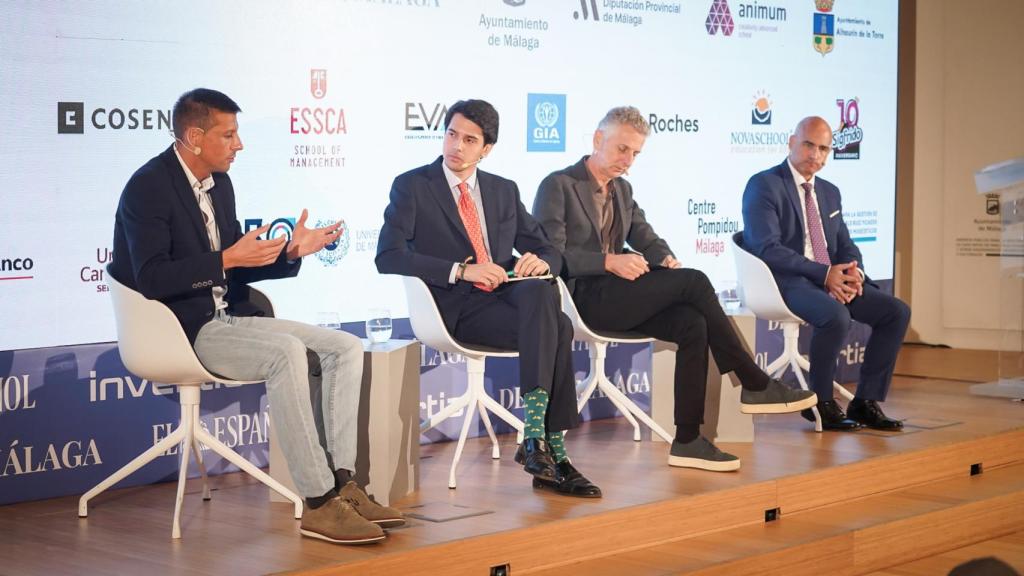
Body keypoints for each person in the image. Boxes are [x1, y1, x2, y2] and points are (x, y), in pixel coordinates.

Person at [110, 88, 403, 545]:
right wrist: (225, 260)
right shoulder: (147, 188)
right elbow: (151, 278)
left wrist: (289, 253)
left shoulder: (219, 184)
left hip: (226, 317)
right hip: (181, 330)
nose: (239, 144)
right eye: (228, 135)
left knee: (344, 346)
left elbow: (236, 262)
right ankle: (319, 502)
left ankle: (346, 484)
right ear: (194, 136)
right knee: (286, 351)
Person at [533, 106, 816, 472]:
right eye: (622, 150)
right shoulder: (558, 185)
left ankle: (687, 440)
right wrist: (608, 261)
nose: (628, 161)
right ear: (598, 139)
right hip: (581, 298)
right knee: (696, 282)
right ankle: (753, 380)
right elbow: (550, 255)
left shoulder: (622, 188)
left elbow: (645, 234)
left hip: (618, 294)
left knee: (690, 323)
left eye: (635, 153)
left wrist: (663, 257)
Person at [376, 99, 600, 498]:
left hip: (505, 303)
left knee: (541, 290)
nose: (456, 146)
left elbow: (549, 250)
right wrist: (461, 270)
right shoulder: (412, 186)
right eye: (451, 134)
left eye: (469, 139)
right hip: (455, 308)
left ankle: (536, 441)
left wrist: (538, 260)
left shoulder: (502, 190)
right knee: (559, 325)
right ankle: (554, 451)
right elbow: (388, 256)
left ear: (486, 149)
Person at [741, 116, 910, 431]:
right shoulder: (764, 185)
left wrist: (851, 272)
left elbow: (845, 243)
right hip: (785, 282)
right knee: (836, 316)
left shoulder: (830, 192)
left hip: (827, 278)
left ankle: (864, 402)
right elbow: (767, 248)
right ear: (791, 142)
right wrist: (824, 274)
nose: (815, 155)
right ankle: (821, 402)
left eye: (823, 149)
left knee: (895, 312)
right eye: (808, 145)